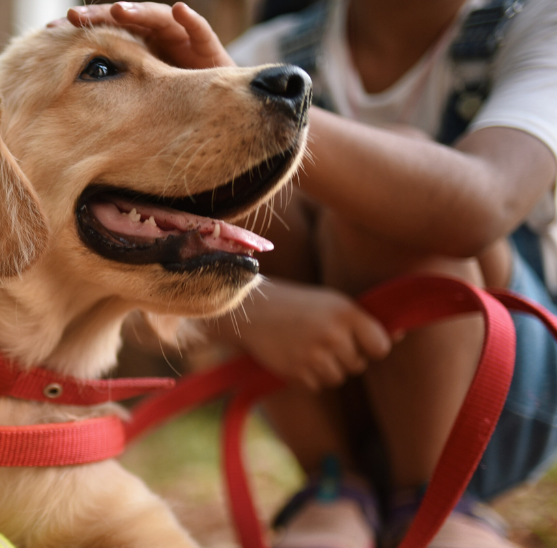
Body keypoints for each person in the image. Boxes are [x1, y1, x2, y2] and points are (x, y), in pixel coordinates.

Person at [52, 2, 557, 547]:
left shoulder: (534, 23)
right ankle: (335, 487)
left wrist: (261, 103)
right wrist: (264, 312)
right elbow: (117, 266)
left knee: (387, 189)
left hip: (504, 400)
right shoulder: (272, 50)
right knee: (224, 180)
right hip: (323, 395)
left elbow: (483, 201)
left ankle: (437, 501)